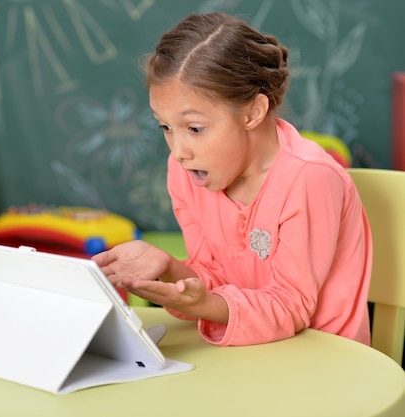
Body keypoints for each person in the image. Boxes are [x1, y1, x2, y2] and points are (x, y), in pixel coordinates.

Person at [92, 12, 372, 346]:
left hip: (325, 359)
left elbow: (291, 306)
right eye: (165, 127)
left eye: (195, 129)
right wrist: (169, 269)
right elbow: (215, 277)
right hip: (246, 357)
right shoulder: (184, 174)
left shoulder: (310, 179)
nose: (179, 151)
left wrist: (207, 305)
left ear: (253, 112)